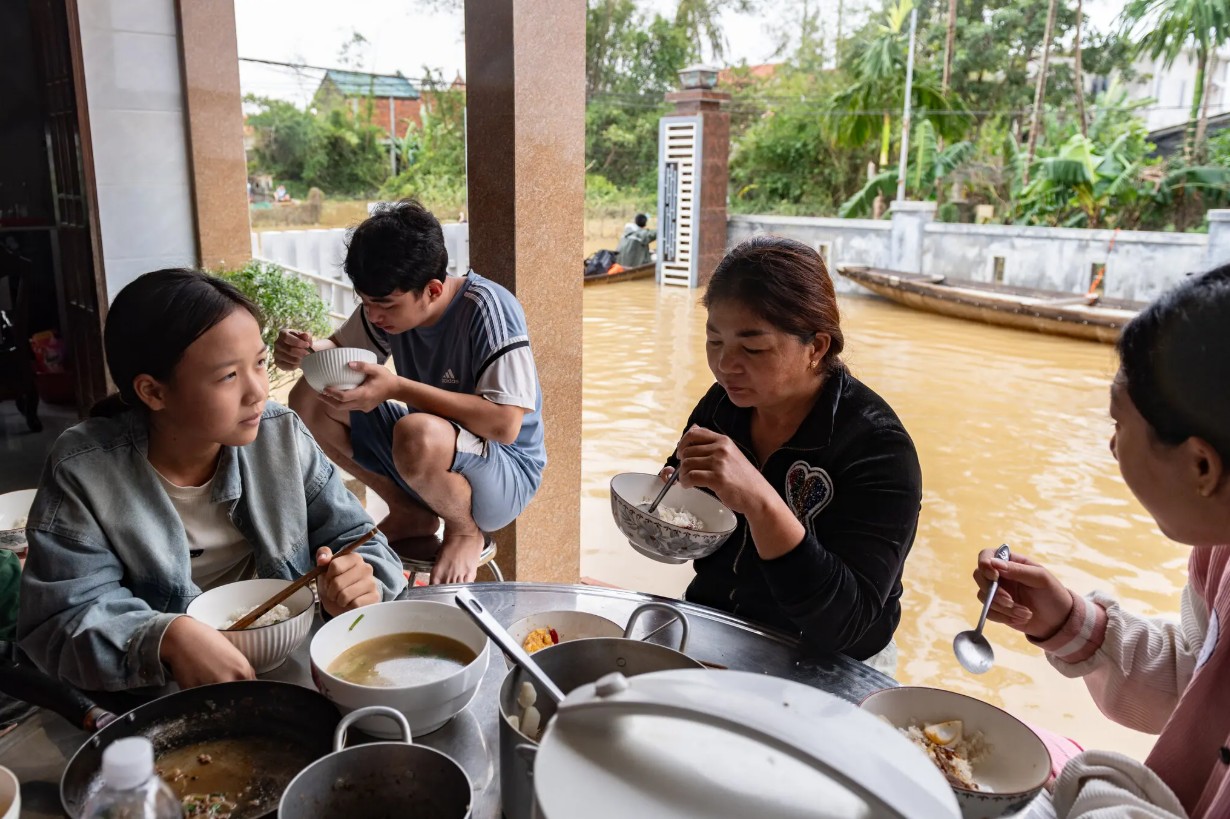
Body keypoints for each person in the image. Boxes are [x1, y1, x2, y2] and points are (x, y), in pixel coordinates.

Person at [17, 269, 406, 693]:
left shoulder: (279, 436)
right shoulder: (84, 471)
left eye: (259, 362)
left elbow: (359, 540)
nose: (258, 391)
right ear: (153, 392)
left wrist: (358, 583)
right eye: (228, 376)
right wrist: (166, 637)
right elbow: (61, 619)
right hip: (156, 695)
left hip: (288, 674)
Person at [973, 266, 1230, 819]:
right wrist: (1069, 622)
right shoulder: (1220, 549)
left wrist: (1092, 789)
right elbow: (1200, 682)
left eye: (1120, 422)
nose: (1113, 447)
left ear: (1201, 464)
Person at [662, 235, 922, 668]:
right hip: (719, 624)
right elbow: (678, 484)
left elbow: (849, 622)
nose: (726, 365)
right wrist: (664, 508)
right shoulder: (724, 404)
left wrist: (760, 501)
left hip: (830, 661)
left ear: (816, 347)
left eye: (753, 348)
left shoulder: (878, 448)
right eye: (714, 342)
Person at [278, 199, 545, 585]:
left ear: (433, 290)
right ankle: (408, 510)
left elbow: (505, 425)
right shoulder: (387, 313)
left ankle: (465, 529)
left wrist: (398, 387)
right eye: (365, 303)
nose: (374, 316)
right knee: (308, 397)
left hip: (505, 471)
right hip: (433, 452)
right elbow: (339, 352)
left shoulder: (488, 308)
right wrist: (305, 352)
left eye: (384, 305)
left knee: (416, 432)